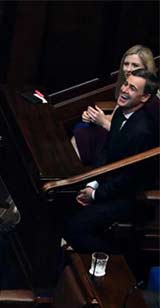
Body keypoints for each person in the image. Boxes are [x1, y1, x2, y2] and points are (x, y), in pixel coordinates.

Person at [64, 69, 159, 253]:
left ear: (145, 97)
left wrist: (95, 195)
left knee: (76, 228)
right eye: (125, 84)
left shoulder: (143, 132)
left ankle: (118, 261)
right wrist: (93, 183)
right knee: (64, 202)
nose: (124, 90)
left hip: (130, 197)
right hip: (108, 183)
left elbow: (129, 179)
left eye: (132, 88)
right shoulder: (121, 112)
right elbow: (106, 152)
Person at [72, 45, 157, 165]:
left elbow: (129, 134)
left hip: (124, 145)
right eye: (126, 64)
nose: (128, 69)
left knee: (81, 134)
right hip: (113, 130)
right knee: (81, 129)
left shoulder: (150, 105)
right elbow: (117, 116)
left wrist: (103, 122)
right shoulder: (126, 87)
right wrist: (94, 116)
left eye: (135, 65)